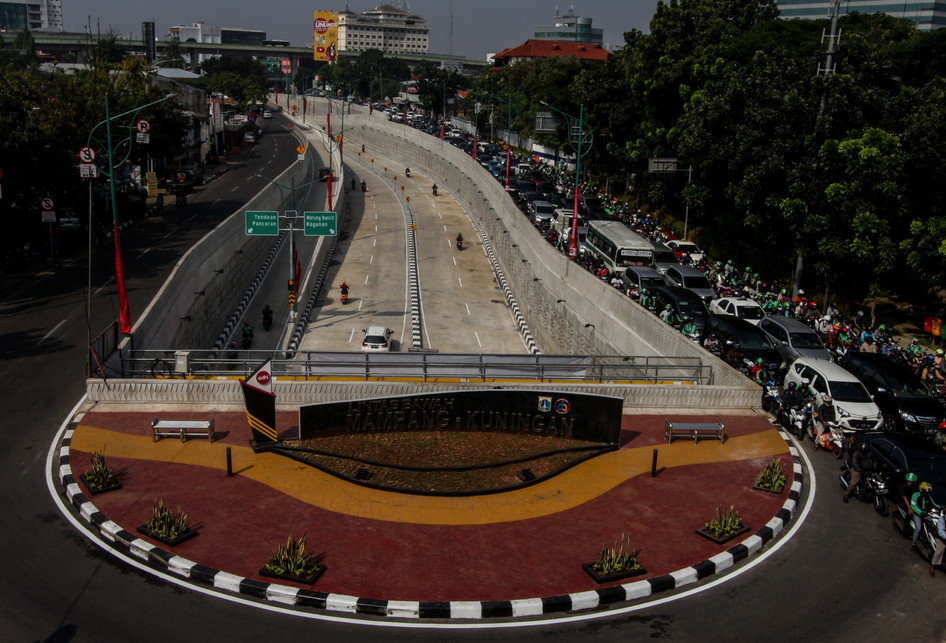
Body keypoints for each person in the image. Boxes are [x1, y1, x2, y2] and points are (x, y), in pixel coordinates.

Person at [910, 481, 943, 549]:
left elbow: (933, 503)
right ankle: (913, 544)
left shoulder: (928, 496)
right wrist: (921, 512)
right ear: (921, 490)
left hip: (926, 514)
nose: (927, 493)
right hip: (918, 514)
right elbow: (913, 506)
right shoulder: (915, 495)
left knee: (934, 525)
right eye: (926, 491)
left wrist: (940, 507)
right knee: (918, 528)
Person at [931, 510, 946, 577]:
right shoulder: (942, 520)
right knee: (939, 551)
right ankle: (932, 566)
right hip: (941, 538)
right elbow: (941, 532)